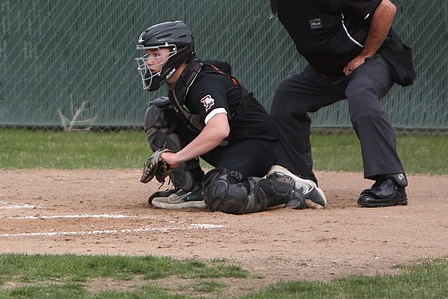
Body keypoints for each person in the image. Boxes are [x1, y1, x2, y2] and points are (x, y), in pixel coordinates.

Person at [256, 0, 416, 208]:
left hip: (373, 59)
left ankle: (391, 181)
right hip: (328, 70)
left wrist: (366, 54)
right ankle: (298, 180)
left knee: (361, 95)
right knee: (288, 95)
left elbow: (385, 8)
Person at [137, 20, 326, 214]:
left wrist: (177, 157)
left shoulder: (203, 83)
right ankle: (191, 189)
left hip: (257, 145)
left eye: (156, 54)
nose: (149, 61)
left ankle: (286, 186)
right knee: (160, 113)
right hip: (230, 144)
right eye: (148, 54)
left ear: (178, 55)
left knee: (221, 194)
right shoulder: (181, 80)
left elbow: (219, 129)